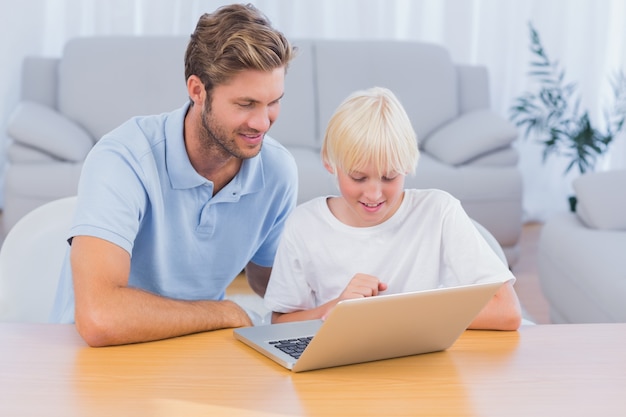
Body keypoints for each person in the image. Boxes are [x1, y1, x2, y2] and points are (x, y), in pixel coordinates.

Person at [49, 3, 298, 346]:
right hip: (95, 357)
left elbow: (270, 282)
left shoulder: (277, 172)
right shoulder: (124, 159)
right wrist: (225, 313)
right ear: (197, 90)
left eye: (273, 102)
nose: (262, 123)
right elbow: (99, 318)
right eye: (246, 104)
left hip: (193, 347)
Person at [264, 86, 522, 330]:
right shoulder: (304, 225)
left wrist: (391, 315)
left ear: (408, 165)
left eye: (389, 177)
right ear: (329, 162)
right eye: (358, 177)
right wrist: (338, 307)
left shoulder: (439, 212)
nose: (374, 194)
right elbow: (280, 323)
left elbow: (507, 311)